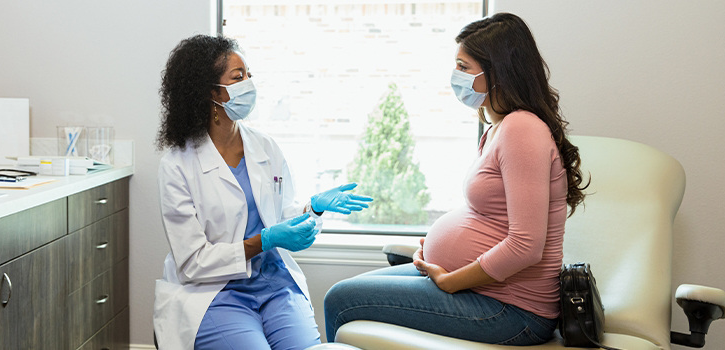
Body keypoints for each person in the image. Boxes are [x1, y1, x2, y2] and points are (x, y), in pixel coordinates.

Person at [323, 12, 588, 346]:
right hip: (484, 291)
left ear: (497, 73)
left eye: (464, 67)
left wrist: (451, 280)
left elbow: (526, 246)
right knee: (343, 293)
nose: (456, 76)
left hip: (513, 310)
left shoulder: (522, 129)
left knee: (341, 300)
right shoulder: (498, 128)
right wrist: (437, 250)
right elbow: (491, 217)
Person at [152, 34, 373, 350]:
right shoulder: (178, 165)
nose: (249, 84)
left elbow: (281, 217)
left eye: (249, 75)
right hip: (216, 292)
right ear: (210, 92)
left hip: (275, 285)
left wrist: (313, 210)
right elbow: (192, 262)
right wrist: (263, 241)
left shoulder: (264, 146)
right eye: (238, 77)